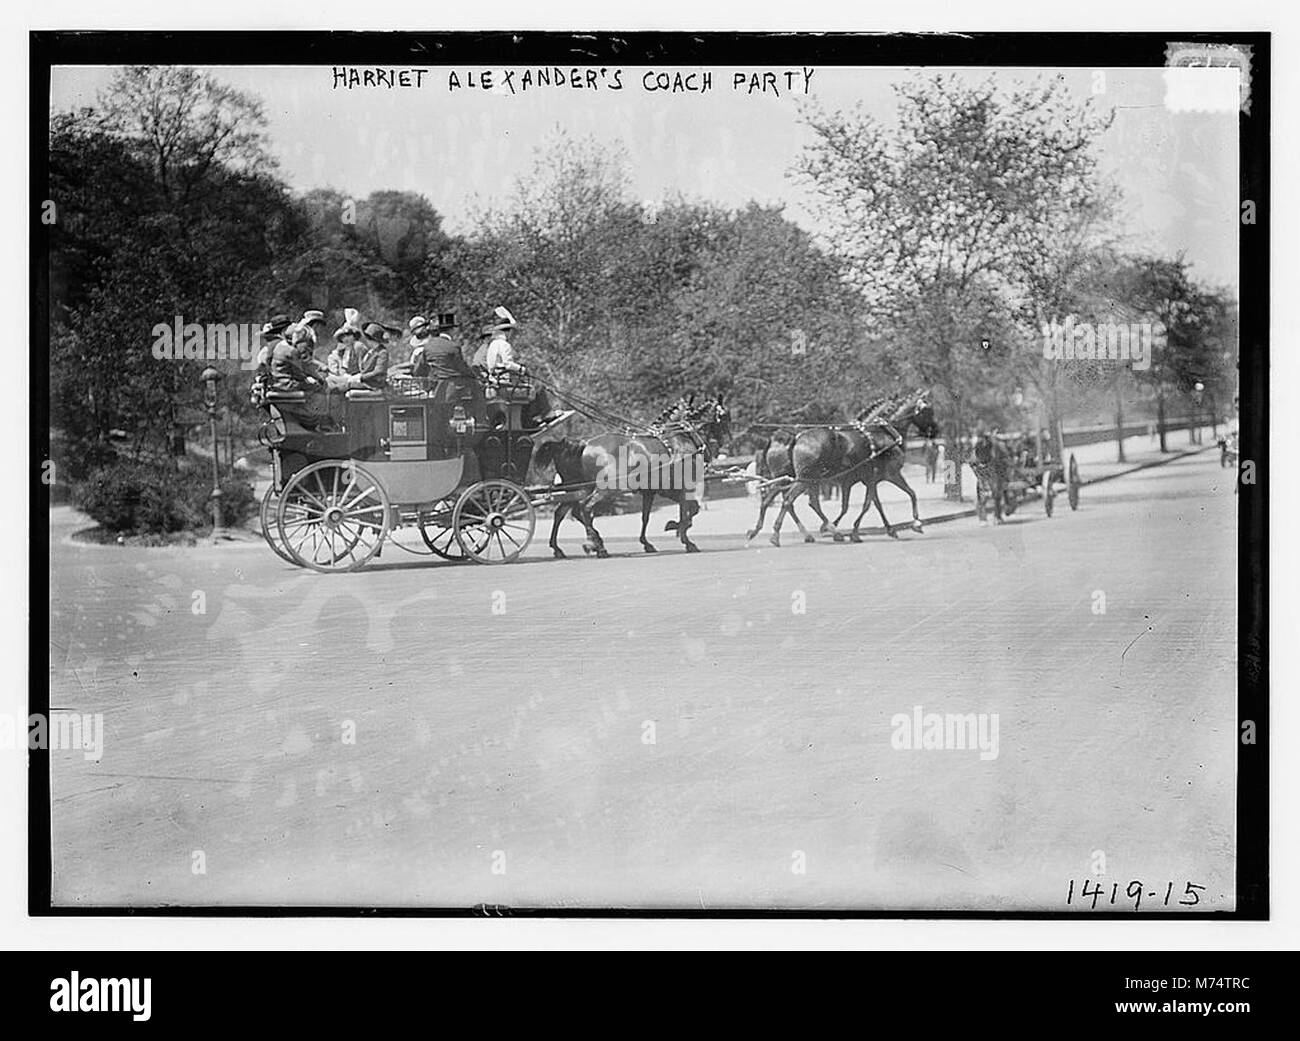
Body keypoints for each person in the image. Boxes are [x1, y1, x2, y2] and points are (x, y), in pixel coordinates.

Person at [482, 306, 569, 427]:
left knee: (529, 388)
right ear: (507, 331)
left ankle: (529, 419)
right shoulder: (504, 344)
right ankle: (546, 414)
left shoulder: (492, 345)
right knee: (538, 388)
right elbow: (507, 364)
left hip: (495, 383)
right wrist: (522, 369)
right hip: (505, 385)